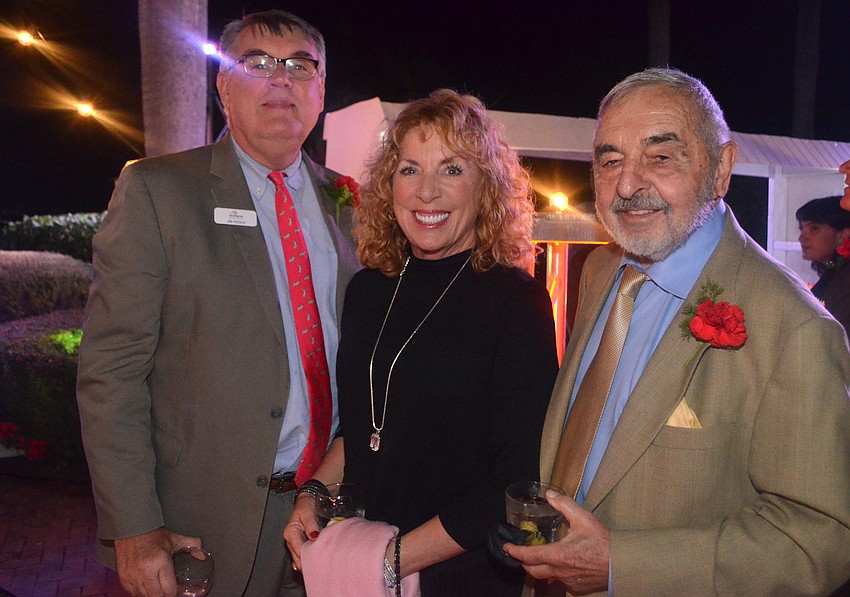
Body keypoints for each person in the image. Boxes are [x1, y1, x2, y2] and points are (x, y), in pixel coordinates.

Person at [503, 68, 850, 596]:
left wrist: (623, 564)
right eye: (610, 159)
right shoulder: (601, 274)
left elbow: (819, 539)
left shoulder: (794, 327)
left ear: (721, 168)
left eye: (660, 158)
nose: (626, 184)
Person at [76, 10, 360, 597]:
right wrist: (135, 528)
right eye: (257, 63)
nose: (281, 79)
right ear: (223, 86)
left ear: (322, 89)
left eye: (300, 65)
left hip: (331, 514)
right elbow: (112, 372)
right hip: (203, 529)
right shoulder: (159, 191)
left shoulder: (351, 204)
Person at [284, 89, 559, 596]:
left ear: (486, 187)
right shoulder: (368, 290)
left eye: (452, 170)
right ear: (389, 185)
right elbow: (362, 424)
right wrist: (314, 494)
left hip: (457, 572)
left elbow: (516, 476)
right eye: (410, 169)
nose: (426, 192)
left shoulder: (516, 302)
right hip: (361, 552)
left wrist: (388, 559)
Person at [796, 195, 850, 332]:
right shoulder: (835, 272)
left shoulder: (845, 280)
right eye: (801, 228)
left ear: (842, 234)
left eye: (814, 228)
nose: (802, 237)